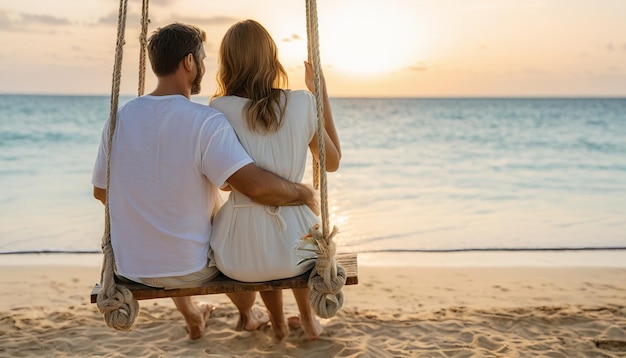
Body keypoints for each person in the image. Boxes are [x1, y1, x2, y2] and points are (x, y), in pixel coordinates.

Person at [91, 23, 319, 340]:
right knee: (230, 243)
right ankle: (248, 313)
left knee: (177, 230)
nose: (204, 66)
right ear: (189, 62)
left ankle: (204, 315)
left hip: (130, 267)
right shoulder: (204, 121)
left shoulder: (119, 118)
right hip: (190, 268)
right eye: (201, 58)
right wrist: (303, 192)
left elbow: (101, 192)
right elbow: (254, 186)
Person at [209, 19, 341, 341]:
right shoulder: (302, 102)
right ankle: (310, 324)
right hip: (299, 254)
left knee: (263, 244)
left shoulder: (218, 109)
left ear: (227, 63)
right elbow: (332, 162)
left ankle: (278, 323)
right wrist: (319, 94)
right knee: (297, 240)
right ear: (271, 58)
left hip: (238, 256)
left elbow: (225, 183)